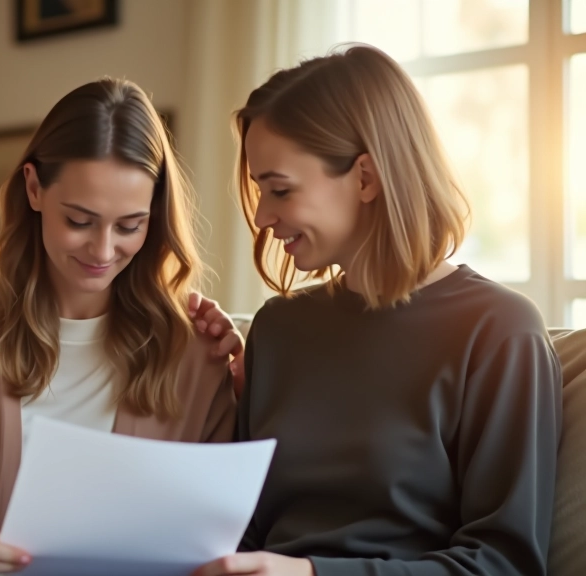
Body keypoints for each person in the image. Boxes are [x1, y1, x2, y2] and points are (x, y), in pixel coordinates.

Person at [191, 44, 562, 576]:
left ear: (365, 177)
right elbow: (240, 528)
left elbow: (505, 563)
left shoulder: (499, 331)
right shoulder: (277, 328)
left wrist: (312, 574)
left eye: (280, 190)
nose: (264, 217)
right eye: (259, 190)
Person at [0, 77, 241, 575]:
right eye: (80, 221)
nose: (103, 251)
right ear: (34, 188)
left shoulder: (195, 351)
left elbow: (216, 525)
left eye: (129, 225)